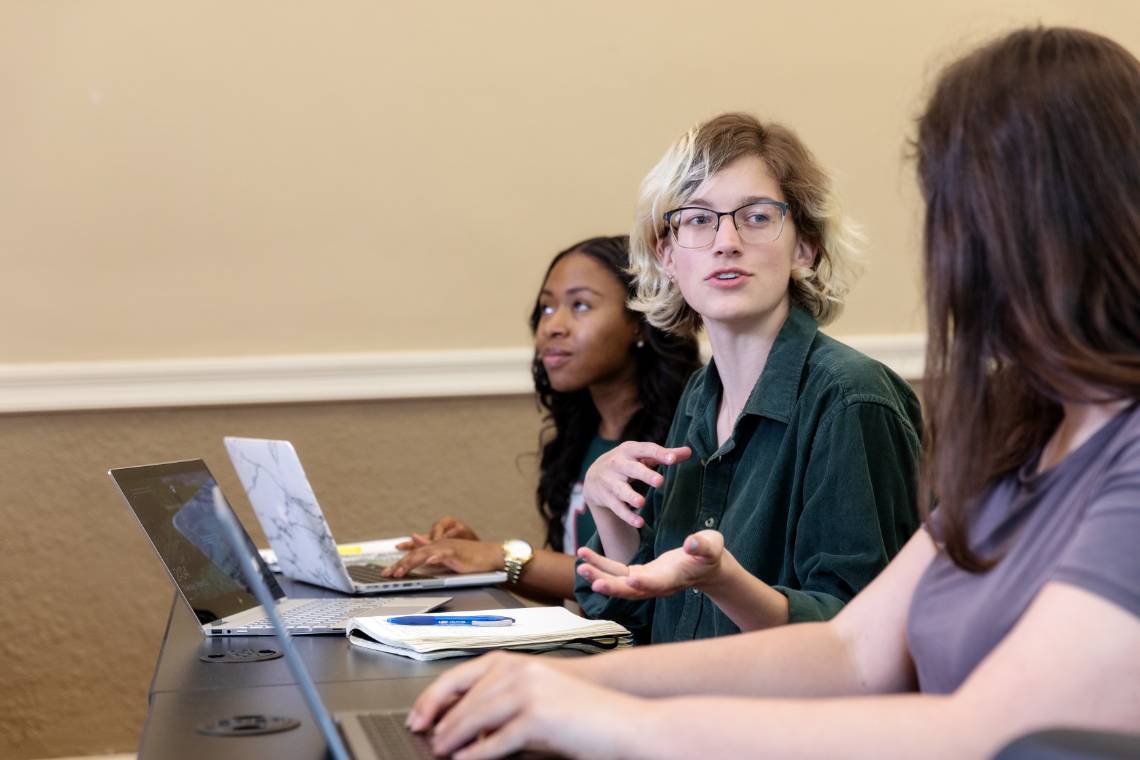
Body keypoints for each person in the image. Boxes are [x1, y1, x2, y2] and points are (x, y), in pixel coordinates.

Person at [407, 27, 1140, 759]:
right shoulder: (1024, 436)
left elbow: (991, 732)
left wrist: (607, 716)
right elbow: (851, 653)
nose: (948, 253)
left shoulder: (865, 399)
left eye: (961, 212)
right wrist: (558, 685)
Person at [567, 112, 922, 643]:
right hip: (683, 709)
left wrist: (723, 582)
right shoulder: (699, 398)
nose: (726, 241)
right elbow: (643, 621)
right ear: (667, 254)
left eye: (756, 217)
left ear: (804, 248)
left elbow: (860, 639)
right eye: (698, 219)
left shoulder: (852, 399)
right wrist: (606, 506)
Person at [382, 235, 700, 601]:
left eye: (580, 305)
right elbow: (583, 588)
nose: (552, 327)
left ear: (639, 321)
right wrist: (474, 557)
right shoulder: (580, 436)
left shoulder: (682, 441)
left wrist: (503, 558)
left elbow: (649, 581)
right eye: (547, 309)